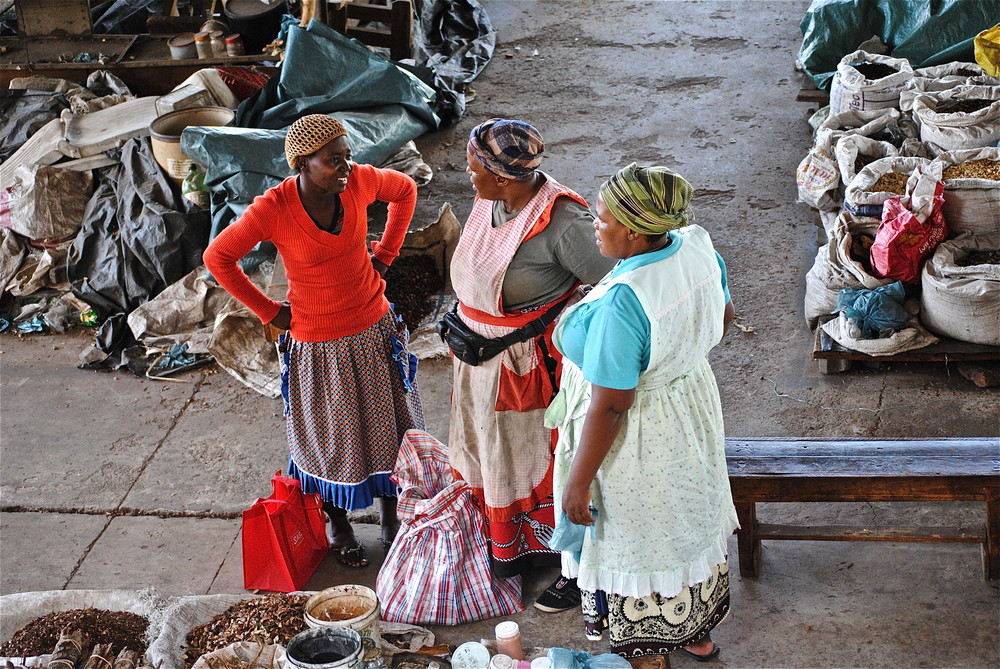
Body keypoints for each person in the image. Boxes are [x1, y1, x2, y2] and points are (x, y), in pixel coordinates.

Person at [203, 114, 425, 569]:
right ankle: (339, 524)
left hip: (373, 326)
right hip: (318, 342)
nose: (345, 167)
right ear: (302, 163)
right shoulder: (275, 209)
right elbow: (218, 257)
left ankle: (390, 514)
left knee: (390, 428)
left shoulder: (359, 182)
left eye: (347, 156)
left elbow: (404, 190)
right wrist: (270, 311)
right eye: (332, 160)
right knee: (332, 438)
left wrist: (384, 256)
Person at [545, 163, 738, 665]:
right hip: (689, 405)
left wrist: (577, 483)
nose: (594, 226)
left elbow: (611, 406)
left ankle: (650, 648)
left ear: (632, 228)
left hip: (639, 436)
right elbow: (724, 315)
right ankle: (696, 632)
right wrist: (677, 354)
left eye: (601, 218)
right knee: (687, 516)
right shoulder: (693, 243)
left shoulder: (624, 304)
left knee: (641, 533)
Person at [446, 118, 615, 612]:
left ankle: (573, 565)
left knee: (545, 461)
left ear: (504, 177)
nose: (467, 173)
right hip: (479, 359)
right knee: (494, 453)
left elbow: (616, 286)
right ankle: (511, 548)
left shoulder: (563, 222)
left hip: (526, 366)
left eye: (473, 166)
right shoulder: (492, 199)